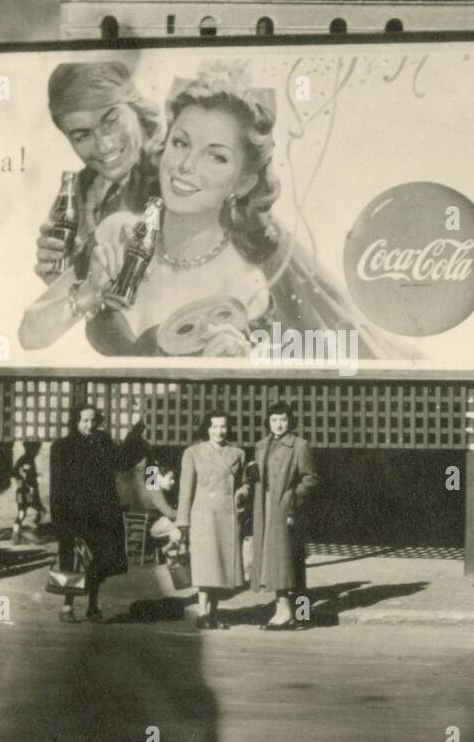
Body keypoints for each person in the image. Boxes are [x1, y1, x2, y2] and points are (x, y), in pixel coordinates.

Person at [79, 60, 423, 361]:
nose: (185, 166)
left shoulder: (249, 283)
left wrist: (241, 363)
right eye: (181, 143)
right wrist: (88, 293)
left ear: (242, 183)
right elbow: (33, 334)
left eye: (216, 156)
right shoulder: (120, 232)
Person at [33, 61, 162, 285]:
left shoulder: (176, 173)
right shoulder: (78, 195)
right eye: (82, 136)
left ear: (136, 107)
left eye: (111, 121)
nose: (103, 146)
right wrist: (63, 281)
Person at [49, 405, 147, 623]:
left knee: (98, 562)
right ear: (75, 421)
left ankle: (93, 607)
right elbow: (57, 485)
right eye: (85, 421)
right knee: (72, 561)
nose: (90, 425)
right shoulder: (62, 447)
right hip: (74, 514)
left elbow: (121, 462)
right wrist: (60, 518)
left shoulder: (103, 441)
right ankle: (67, 607)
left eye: (93, 420)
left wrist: (136, 436)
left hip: (101, 513)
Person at [176, 412, 249, 629]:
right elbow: (185, 490)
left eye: (223, 427)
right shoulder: (193, 453)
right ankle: (202, 613)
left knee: (222, 567)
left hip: (228, 516)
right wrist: (183, 522)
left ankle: (214, 613)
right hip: (204, 516)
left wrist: (242, 492)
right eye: (215, 426)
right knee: (206, 566)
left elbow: (245, 482)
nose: (219, 431)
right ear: (207, 429)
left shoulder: (238, 453)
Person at [251, 402, 320, 630]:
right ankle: (284, 612)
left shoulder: (300, 445)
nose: (278, 424)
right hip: (268, 509)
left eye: (282, 419)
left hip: (290, 511)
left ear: (290, 421)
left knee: (294, 566)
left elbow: (310, 479)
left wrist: (292, 500)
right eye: (273, 420)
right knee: (277, 564)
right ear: (268, 422)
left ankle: (301, 615)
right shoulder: (261, 445)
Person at [11, 441, 44, 544]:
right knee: (41, 512)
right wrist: (30, 484)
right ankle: (31, 531)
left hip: (21, 491)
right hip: (29, 491)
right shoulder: (28, 460)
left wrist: (21, 481)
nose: (38, 451)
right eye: (37, 449)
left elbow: (15, 472)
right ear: (31, 449)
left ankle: (15, 535)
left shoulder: (22, 459)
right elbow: (27, 476)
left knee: (21, 512)